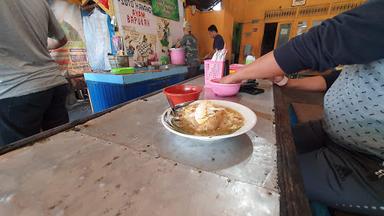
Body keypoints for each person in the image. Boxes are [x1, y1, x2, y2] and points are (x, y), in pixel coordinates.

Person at [221, 0, 384, 215]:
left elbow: (316, 44)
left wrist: (238, 76)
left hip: (369, 158)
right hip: (329, 130)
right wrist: (288, 83)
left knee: (266, 174)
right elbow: (334, 78)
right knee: (262, 144)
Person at [0, 0, 69, 146]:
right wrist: (34, 46)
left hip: (14, 90)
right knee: (62, 148)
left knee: (22, 160)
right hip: (53, 82)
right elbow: (61, 39)